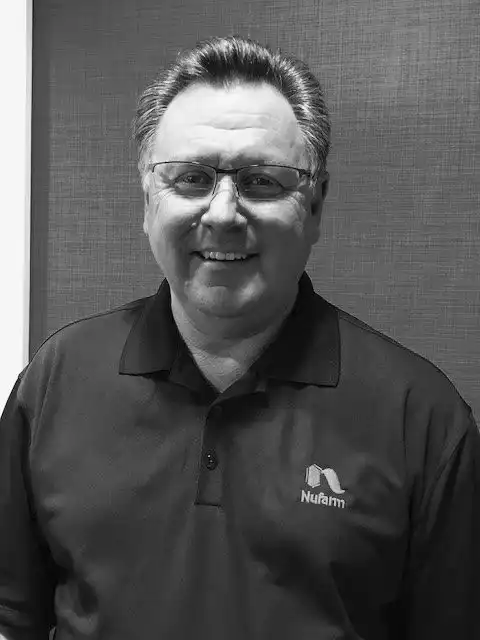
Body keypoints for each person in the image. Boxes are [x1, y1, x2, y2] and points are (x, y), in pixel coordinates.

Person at [0, 34, 478, 640]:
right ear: (147, 199)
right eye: (191, 178)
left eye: (261, 181)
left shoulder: (422, 418)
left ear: (316, 205)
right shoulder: (57, 380)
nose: (223, 213)